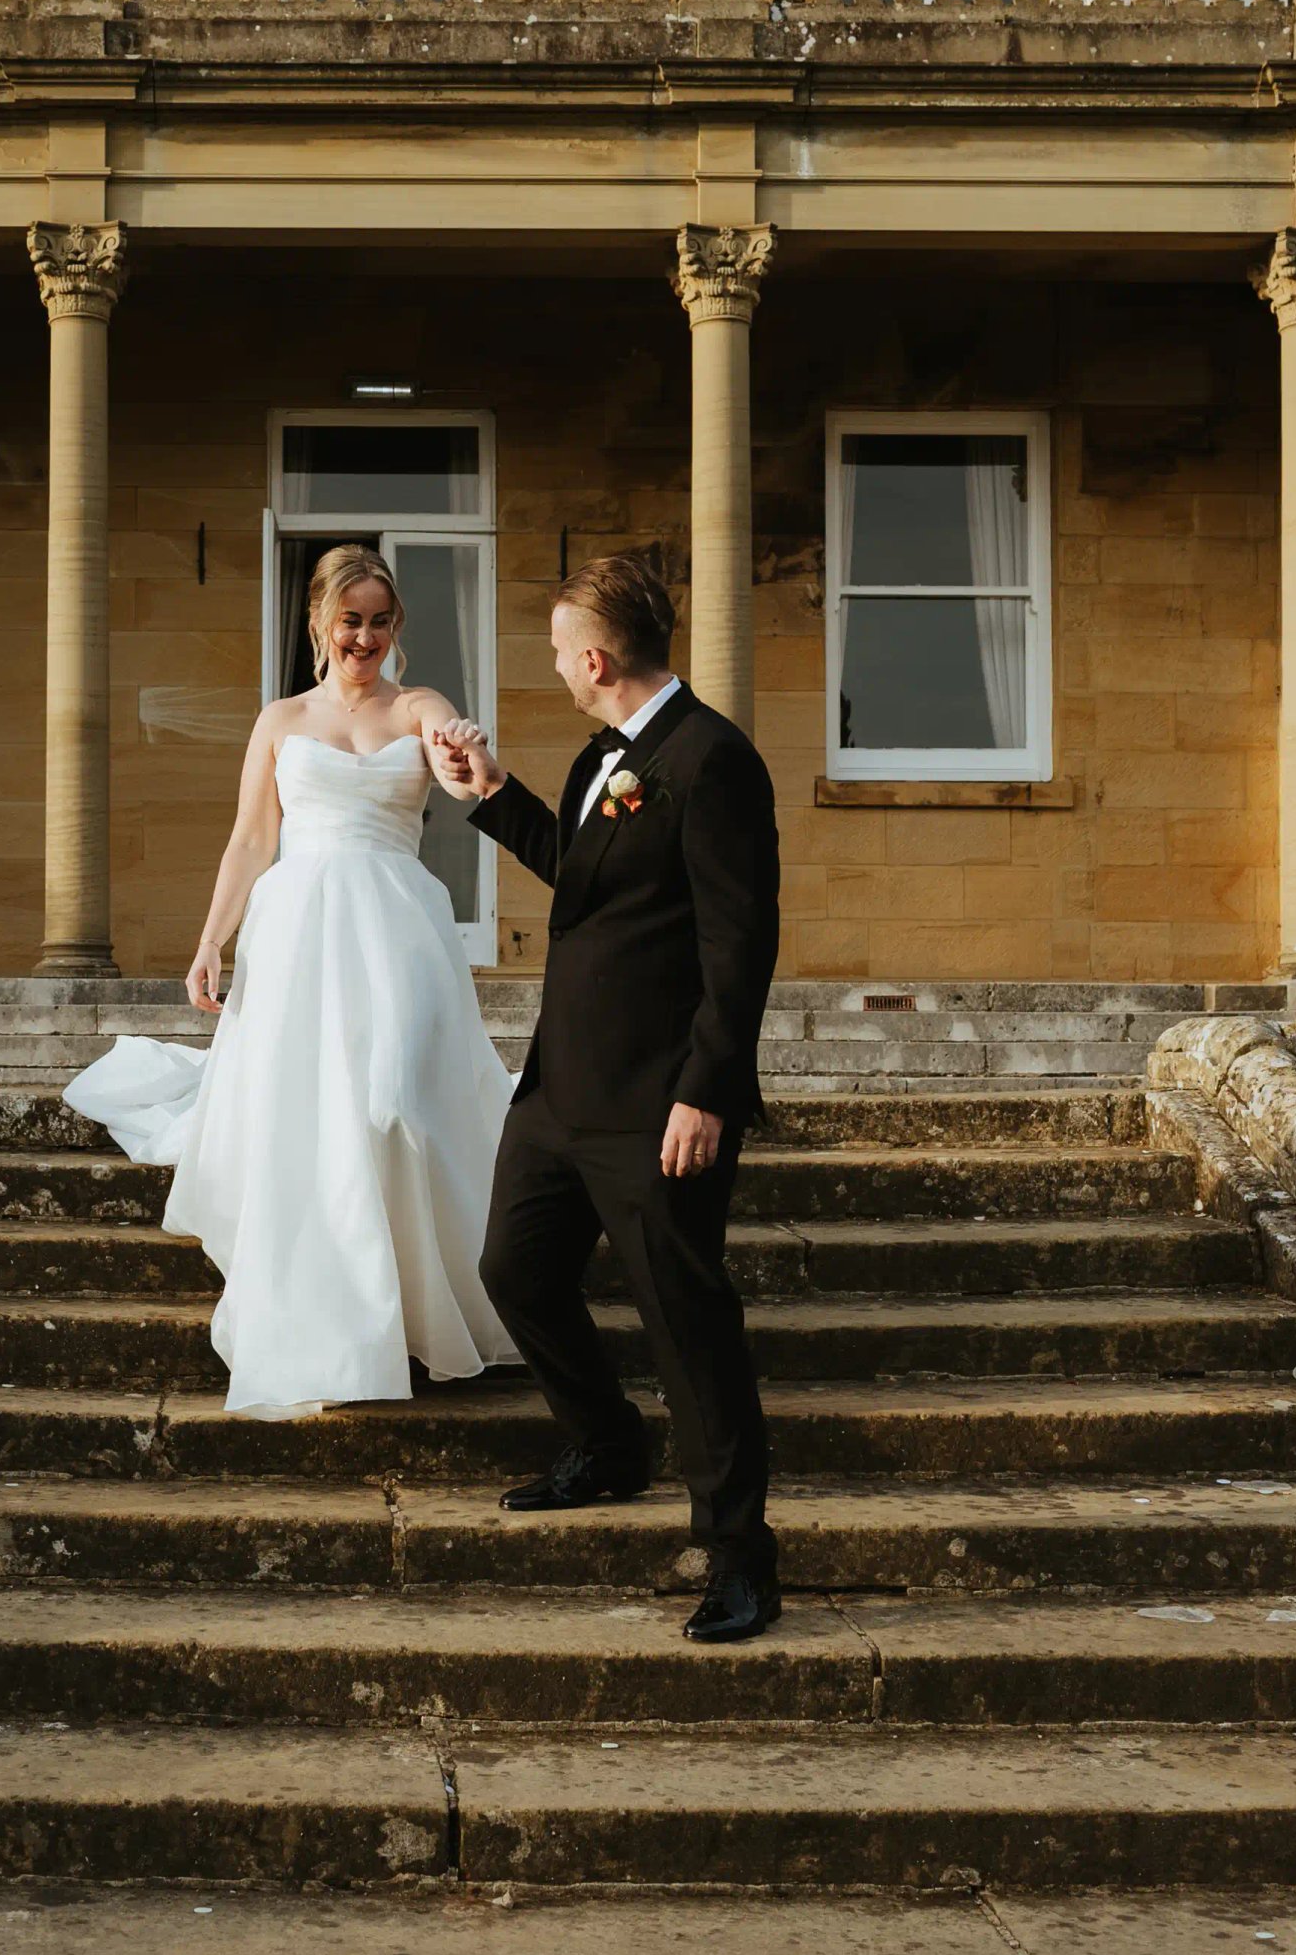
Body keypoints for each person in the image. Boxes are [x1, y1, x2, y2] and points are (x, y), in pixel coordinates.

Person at [63, 544, 519, 1415]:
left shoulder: (420, 705)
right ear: (318, 621)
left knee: (393, 1103)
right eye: (351, 621)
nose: (366, 637)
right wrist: (211, 941)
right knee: (320, 1113)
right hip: (299, 930)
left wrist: (462, 755)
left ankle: (426, 1309)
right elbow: (249, 839)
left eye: (381, 621)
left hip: (399, 927)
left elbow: (460, 777)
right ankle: (350, 1326)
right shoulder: (279, 721)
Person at [433, 550, 783, 1645]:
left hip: (658, 1104)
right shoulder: (600, 758)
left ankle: (740, 1559)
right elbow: (587, 884)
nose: (552, 666)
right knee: (512, 1270)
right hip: (558, 1093)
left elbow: (742, 945)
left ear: (595, 657)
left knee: (688, 1325)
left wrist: (707, 1092)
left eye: (554, 649)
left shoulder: (714, 758)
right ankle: (608, 1445)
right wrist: (490, 794)